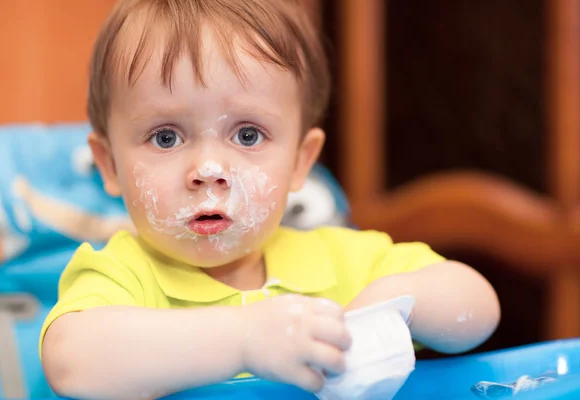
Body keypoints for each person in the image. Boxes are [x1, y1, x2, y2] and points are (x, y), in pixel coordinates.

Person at [40, 1, 501, 399]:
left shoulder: (341, 259)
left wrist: (398, 303)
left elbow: (478, 308)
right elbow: (71, 362)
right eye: (165, 137)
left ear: (301, 162)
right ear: (110, 166)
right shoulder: (122, 277)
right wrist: (244, 342)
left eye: (247, 133)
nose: (208, 170)